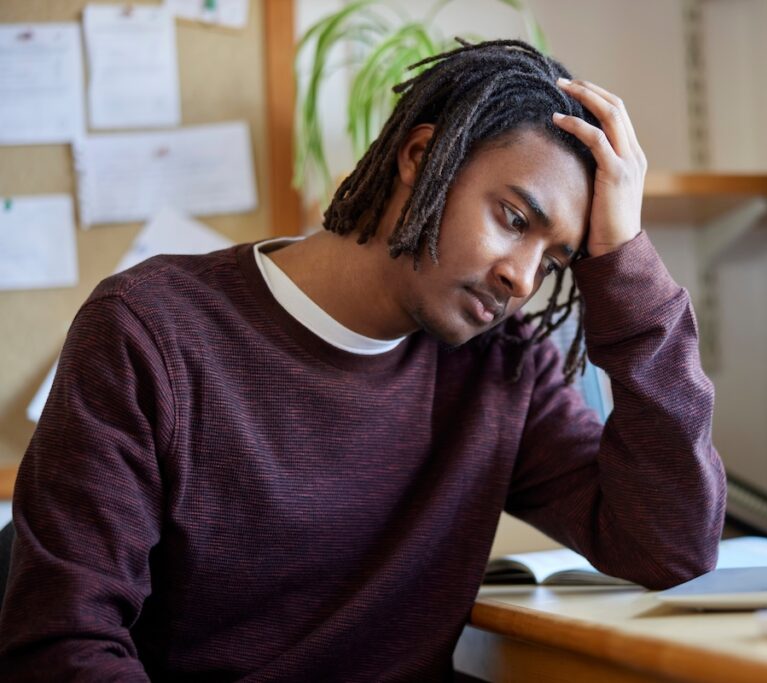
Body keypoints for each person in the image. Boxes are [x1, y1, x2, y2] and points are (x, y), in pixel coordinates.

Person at [0, 40, 725, 681]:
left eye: (559, 258)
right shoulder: (152, 330)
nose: (523, 279)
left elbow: (671, 544)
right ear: (421, 157)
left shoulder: (503, 369)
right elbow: (61, 643)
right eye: (513, 219)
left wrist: (625, 265)